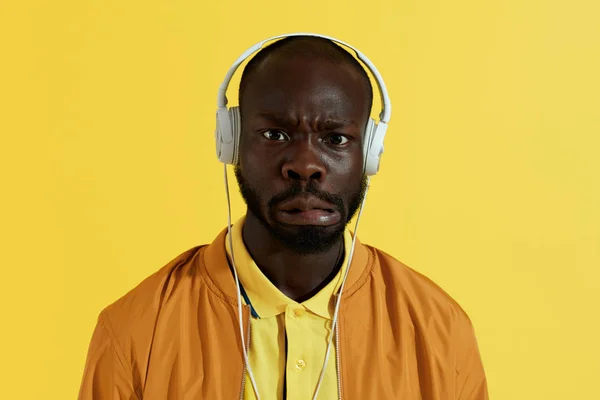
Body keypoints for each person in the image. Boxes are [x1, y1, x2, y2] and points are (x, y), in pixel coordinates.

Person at [78, 33, 488, 400]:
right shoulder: (134, 331)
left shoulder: (440, 332)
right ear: (231, 143)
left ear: (371, 153)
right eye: (275, 134)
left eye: (335, 138)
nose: (306, 164)